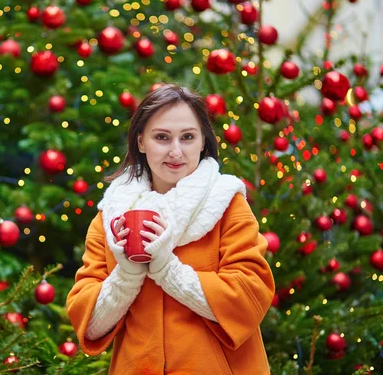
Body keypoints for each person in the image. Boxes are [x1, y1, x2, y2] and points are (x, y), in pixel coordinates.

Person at [66, 85, 275, 374]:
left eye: (187, 137)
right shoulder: (113, 215)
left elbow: (248, 300)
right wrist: (126, 275)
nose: (176, 151)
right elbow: (88, 323)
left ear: (203, 142)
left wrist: (167, 269)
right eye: (162, 137)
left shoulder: (227, 205)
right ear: (141, 142)